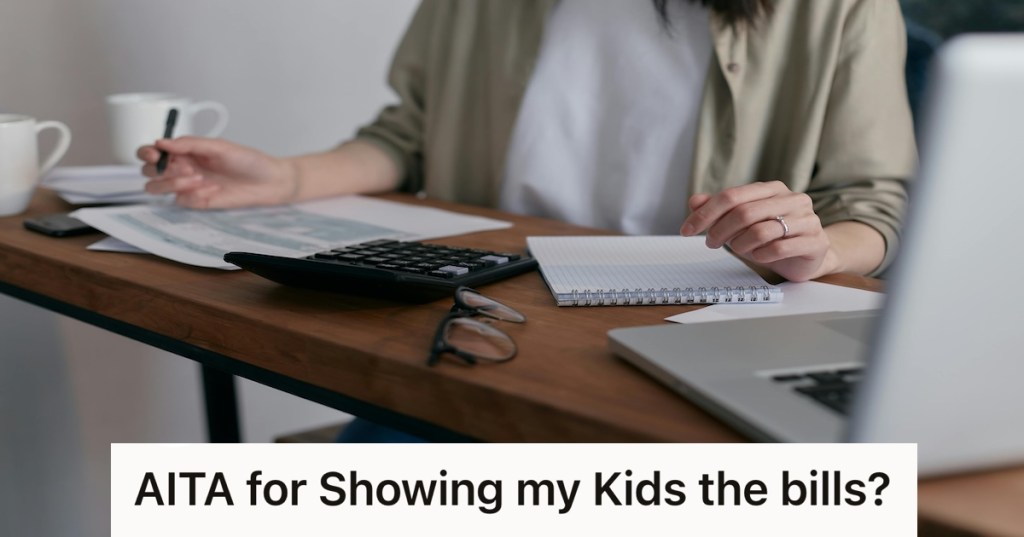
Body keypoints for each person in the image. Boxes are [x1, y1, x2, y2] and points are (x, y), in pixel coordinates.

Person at [138, 0, 916, 284]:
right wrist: (283, 177)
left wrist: (817, 250)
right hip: (485, 306)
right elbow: (410, 136)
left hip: (688, 317)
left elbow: (874, 204)